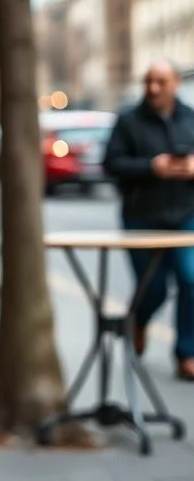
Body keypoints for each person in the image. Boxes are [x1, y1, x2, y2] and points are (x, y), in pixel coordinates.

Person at [103, 60, 194, 381]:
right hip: (142, 217)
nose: (154, 88)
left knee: (191, 279)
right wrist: (151, 167)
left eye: (161, 82)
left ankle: (187, 353)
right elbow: (112, 164)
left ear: (175, 84)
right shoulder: (128, 120)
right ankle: (138, 320)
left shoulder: (191, 118)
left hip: (186, 215)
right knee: (152, 287)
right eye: (148, 81)